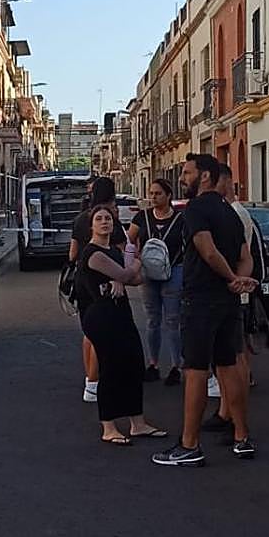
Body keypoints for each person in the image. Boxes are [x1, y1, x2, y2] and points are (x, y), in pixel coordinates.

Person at [153, 154, 258, 467]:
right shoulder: (229, 212)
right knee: (228, 366)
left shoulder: (196, 208)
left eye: (187, 173)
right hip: (227, 302)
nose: (183, 178)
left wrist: (230, 278)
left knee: (196, 371)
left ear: (206, 177)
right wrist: (239, 279)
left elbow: (207, 251)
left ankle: (189, 444)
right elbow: (245, 255)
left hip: (201, 299)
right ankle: (241, 437)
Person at [76, 204, 167, 445]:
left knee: (134, 364)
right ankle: (109, 426)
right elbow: (129, 275)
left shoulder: (114, 250)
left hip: (120, 313)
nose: (105, 222)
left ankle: (138, 423)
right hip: (101, 316)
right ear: (91, 226)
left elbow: (136, 280)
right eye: (99, 219)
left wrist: (123, 275)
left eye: (108, 218)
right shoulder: (93, 253)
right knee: (111, 368)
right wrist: (132, 266)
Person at [205, 163, 263, 432]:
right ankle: (226, 411)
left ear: (224, 181)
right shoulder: (231, 212)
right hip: (233, 292)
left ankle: (235, 419)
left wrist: (233, 282)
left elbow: (240, 255)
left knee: (235, 358)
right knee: (227, 358)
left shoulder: (233, 214)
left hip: (233, 295)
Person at [69, 177, 127, 403]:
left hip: (82, 282)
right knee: (104, 332)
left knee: (89, 331)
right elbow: (122, 253)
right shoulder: (109, 219)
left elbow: (72, 255)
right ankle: (97, 381)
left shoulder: (80, 219)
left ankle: (90, 381)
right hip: (104, 282)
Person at [128, 178, 184, 386]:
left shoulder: (180, 219)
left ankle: (176, 366)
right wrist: (132, 262)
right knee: (152, 320)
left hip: (174, 272)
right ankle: (153, 364)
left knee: (172, 320)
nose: (153, 197)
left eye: (158, 193)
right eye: (151, 193)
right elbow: (129, 241)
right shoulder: (141, 217)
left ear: (169, 196)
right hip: (149, 274)